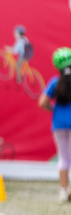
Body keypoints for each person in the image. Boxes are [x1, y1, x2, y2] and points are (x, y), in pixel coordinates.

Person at [39, 47, 71, 203]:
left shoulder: (55, 82)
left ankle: (64, 191)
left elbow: (42, 102)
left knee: (63, 158)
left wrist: (54, 109)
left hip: (59, 124)